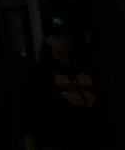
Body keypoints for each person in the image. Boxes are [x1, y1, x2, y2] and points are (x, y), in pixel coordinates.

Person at [23, 18, 104, 149]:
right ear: (48, 40)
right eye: (57, 36)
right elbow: (32, 117)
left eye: (66, 35)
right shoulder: (40, 75)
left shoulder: (86, 69)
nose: (64, 40)